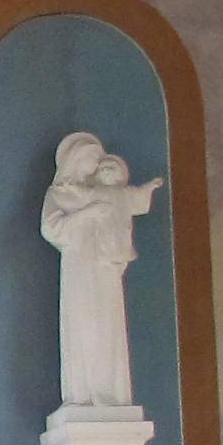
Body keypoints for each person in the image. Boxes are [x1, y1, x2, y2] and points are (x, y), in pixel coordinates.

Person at [40, 132, 163, 412]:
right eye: (92, 161)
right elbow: (52, 228)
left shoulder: (109, 195)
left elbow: (132, 201)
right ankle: (83, 393)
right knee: (84, 326)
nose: (96, 168)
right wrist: (88, 213)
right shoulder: (62, 194)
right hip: (79, 270)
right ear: (75, 160)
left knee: (109, 324)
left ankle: (112, 393)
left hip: (106, 270)